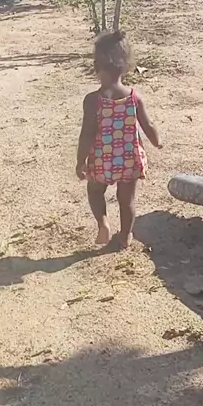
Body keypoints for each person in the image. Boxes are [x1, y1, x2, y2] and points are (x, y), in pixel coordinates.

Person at [76, 29, 162, 248]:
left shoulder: (93, 101)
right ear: (126, 66)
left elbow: (86, 134)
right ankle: (124, 237)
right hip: (129, 159)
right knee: (127, 201)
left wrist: (80, 161)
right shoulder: (134, 97)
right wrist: (156, 141)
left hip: (102, 159)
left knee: (95, 191)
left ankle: (103, 223)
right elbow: (148, 125)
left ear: (96, 66)